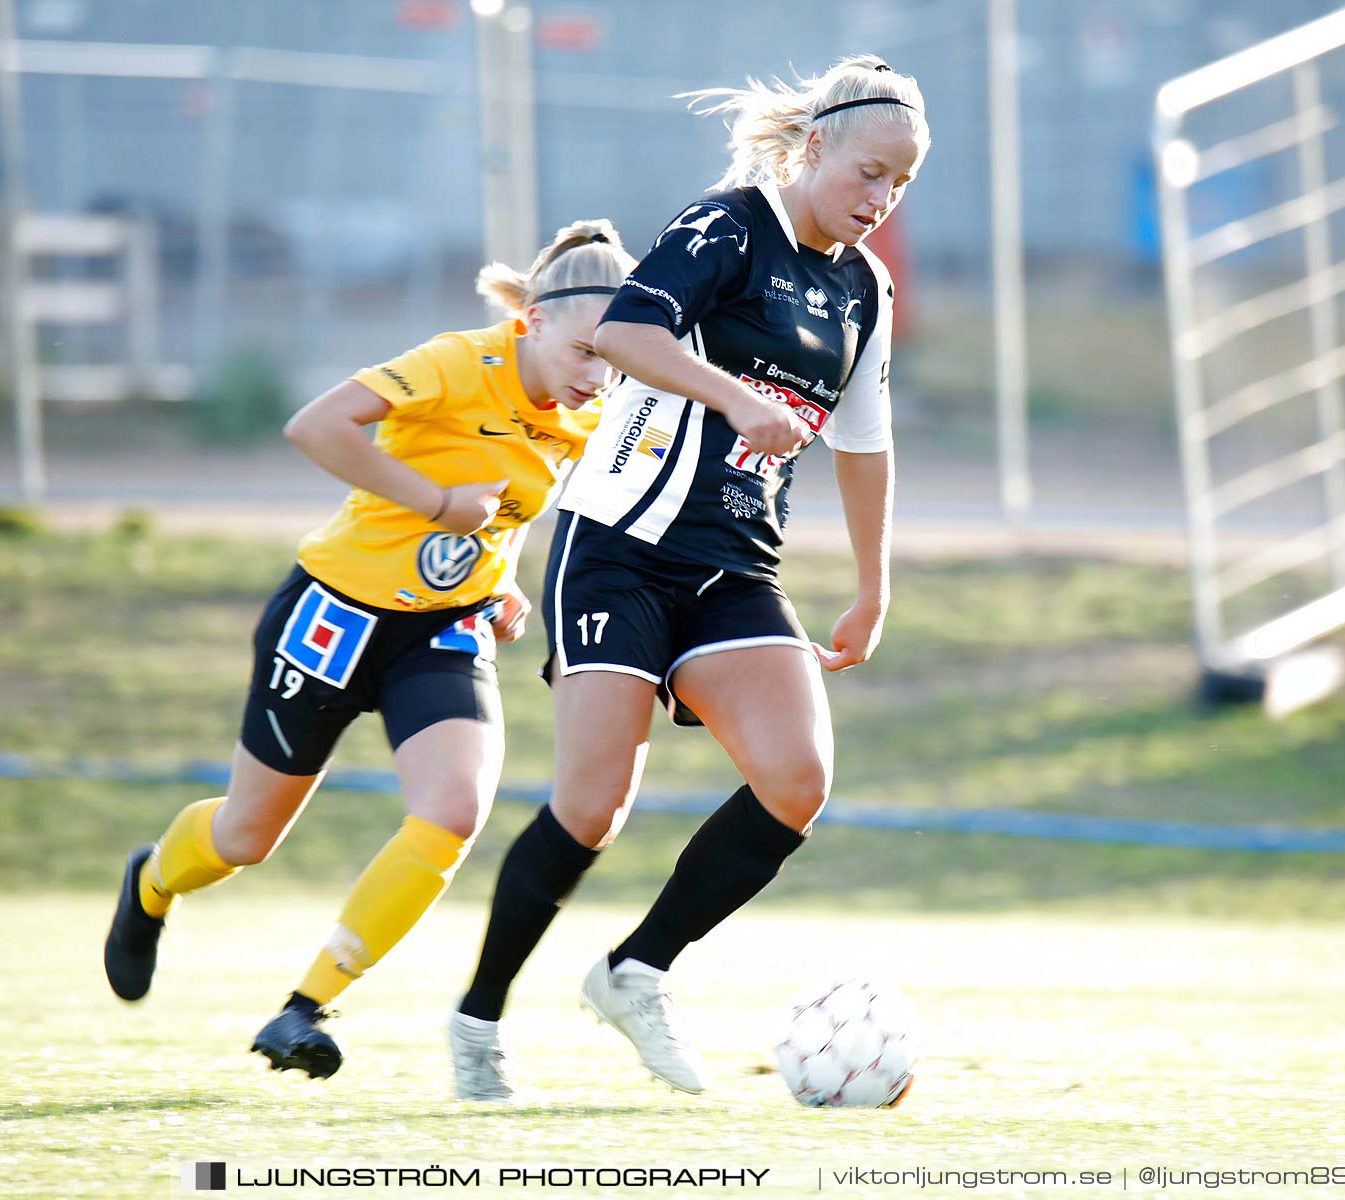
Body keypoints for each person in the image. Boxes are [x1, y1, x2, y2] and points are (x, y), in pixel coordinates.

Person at [445, 56, 926, 1102]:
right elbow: (623, 331)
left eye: (900, 184)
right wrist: (731, 396)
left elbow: (867, 440)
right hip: (617, 544)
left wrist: (873, 585)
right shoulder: (727, 226)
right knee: (591, 808)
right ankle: (479, 1021)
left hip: (734, 565)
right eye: (868, 173)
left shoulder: (866, 286)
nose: (880, 199)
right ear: (816, 149)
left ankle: (635, 972)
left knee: (798, 781)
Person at [102, 220, 636, 1079]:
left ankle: (305, 1007)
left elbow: (509, 503)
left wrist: (499, 576)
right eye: (583, 353)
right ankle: (152, 882)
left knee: (454, 810)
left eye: (613, 358)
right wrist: (434, 502)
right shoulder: (459, 361)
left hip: (442, 629)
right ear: (533, 323)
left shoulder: (591, 411)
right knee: (243, 839)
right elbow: (316, 427)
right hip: (332, 614)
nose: (598, 376)